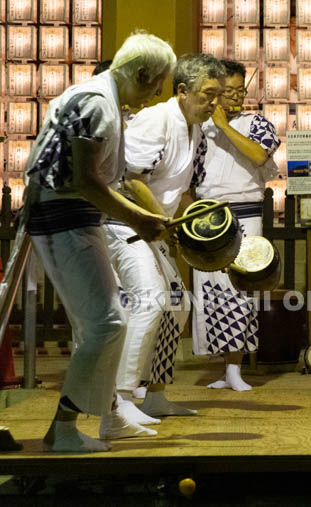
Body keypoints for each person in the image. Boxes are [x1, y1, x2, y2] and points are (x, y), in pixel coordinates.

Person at [24, 32, 174, 451]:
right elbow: (84, 180)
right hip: (64, 220)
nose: (154, 94)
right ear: (142, 73)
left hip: (62, 217)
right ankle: (64, 428)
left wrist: (142, 217)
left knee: (104, 324)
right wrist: (138, 220)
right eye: (157, 82)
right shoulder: (98, 104)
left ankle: (108, 416)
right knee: (108, 324)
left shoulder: (89, 95)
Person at [104, 54, 226, 424]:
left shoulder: (193, 127)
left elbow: (181, 189)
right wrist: (160, 223)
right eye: (208, 95)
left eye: (218, 96)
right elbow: (130, 177)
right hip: (122, 222)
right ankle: (122, 397)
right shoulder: (157, 118)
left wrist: (192, 227)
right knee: (153, 300)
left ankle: (154, 395)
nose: (215, 103)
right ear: (184, 91)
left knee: (178, 304)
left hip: (154, 226)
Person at [191, 60, 279, 392]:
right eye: (228, 91)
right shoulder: (199, 129)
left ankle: (235, 367)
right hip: (207, 216)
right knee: (211, 292)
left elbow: (259, 157)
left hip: (246, 214)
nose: (236, 97)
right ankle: (221, 366)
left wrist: (225, 127)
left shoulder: (257, 122)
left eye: (240, 90)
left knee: (241, 289)